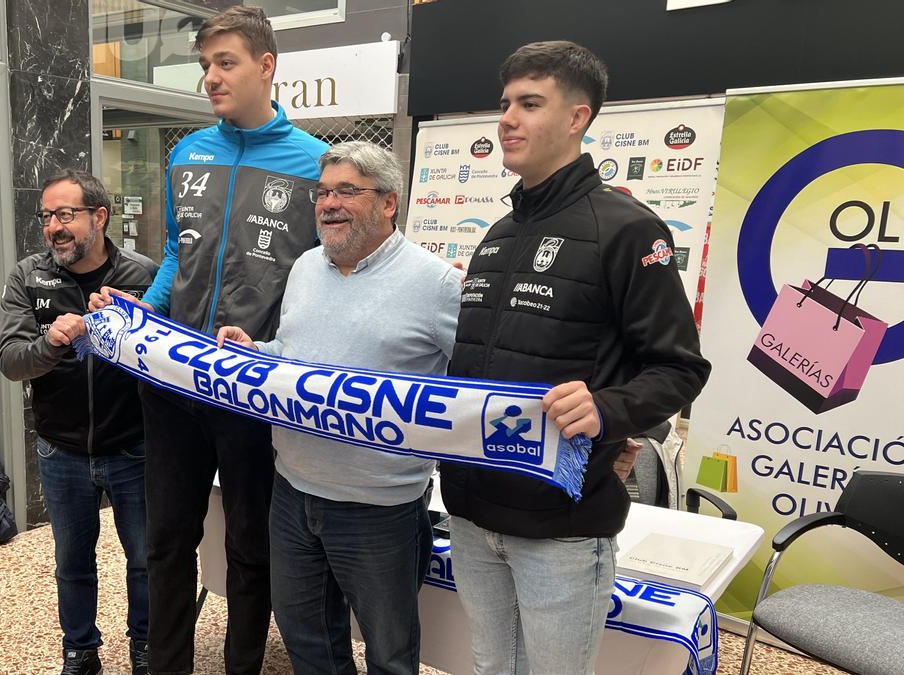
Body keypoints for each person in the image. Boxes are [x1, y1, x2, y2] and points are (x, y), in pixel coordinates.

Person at [442, 41, 711, 674]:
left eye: (530, 103)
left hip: (561, 525)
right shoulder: (498, 235)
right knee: (489, 668)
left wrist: (607, 409)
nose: (506, 118)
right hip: (473, 511)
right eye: (505, 103)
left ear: (577, 118)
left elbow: (680, 367)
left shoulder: (627, 229)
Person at [91, 7, 327, 674]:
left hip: (252, 386)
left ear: (266, 66)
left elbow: (321, 278)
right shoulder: (187, 152)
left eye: (226, 63)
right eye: (206, 66)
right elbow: (176, 254)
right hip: (172, 378)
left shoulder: (315, 163)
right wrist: (147, 306)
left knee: (252, 545)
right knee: (168, 541)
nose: (212, 78)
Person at [216, 142, 461, 675]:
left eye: (347, 191)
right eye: (323, 192)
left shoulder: (437, 283)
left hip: (380, 507)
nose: (329, 203)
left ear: (389, 204)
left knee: (390, 654)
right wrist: (255, 352)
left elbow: (474, 386)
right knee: (309, 642)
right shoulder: (304, 267)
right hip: (292, 492)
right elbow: (294, 356)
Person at [0, 169, 157, 675]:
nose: (54, 227)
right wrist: (52, 341)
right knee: (72, 563)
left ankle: (147, 648)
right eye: (47, 217)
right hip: (60, 449)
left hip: (134, 446)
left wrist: (142, 322)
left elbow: (173, 353)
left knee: (146, 560)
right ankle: (81, 651)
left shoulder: (142, 274)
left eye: (66, 215)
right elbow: (10, 360)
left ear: (100, 217)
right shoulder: (29, 276)